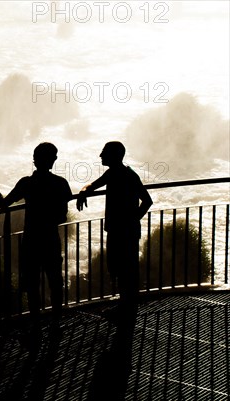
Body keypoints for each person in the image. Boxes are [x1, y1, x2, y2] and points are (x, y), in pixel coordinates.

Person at [76, 141, 153, 350]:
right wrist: (84, 190)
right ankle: (125, 307)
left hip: (123, 231)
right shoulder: (117, 173)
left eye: (104, 152)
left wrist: (131, 220)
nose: (100, 155)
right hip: (122, 230)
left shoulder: (125, 175)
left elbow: (147, 201)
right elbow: (94, 184)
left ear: (113, 155)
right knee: (121, 268)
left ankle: (126, 309)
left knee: (124, 268)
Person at [0, 142, 72, 322]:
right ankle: (56, 320)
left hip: (31, 241)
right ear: (53, 160)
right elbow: (62, 217)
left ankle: (35, 323)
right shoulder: (61, 183)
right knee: (55, 282)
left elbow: (3, 205)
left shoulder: (27, 183)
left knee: (32, 285)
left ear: (34, 160)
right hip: (51, 239)